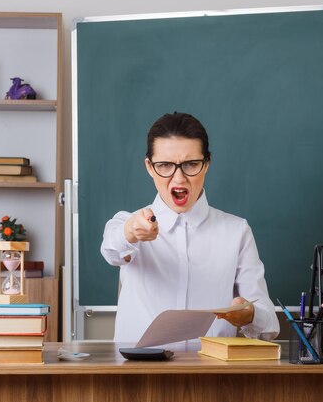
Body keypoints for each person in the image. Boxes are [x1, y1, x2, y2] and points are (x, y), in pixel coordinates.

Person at [100, 112, 279, 343]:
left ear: (206, 164)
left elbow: (269, 323)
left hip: (212, 372)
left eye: (191, 164)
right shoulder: (128, 223)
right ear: (149, 167)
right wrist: (131, 231)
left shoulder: (237, 231)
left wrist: (249, 315)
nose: (179, 178)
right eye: (165, 165)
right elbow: (111, 249)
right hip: (139, 373)